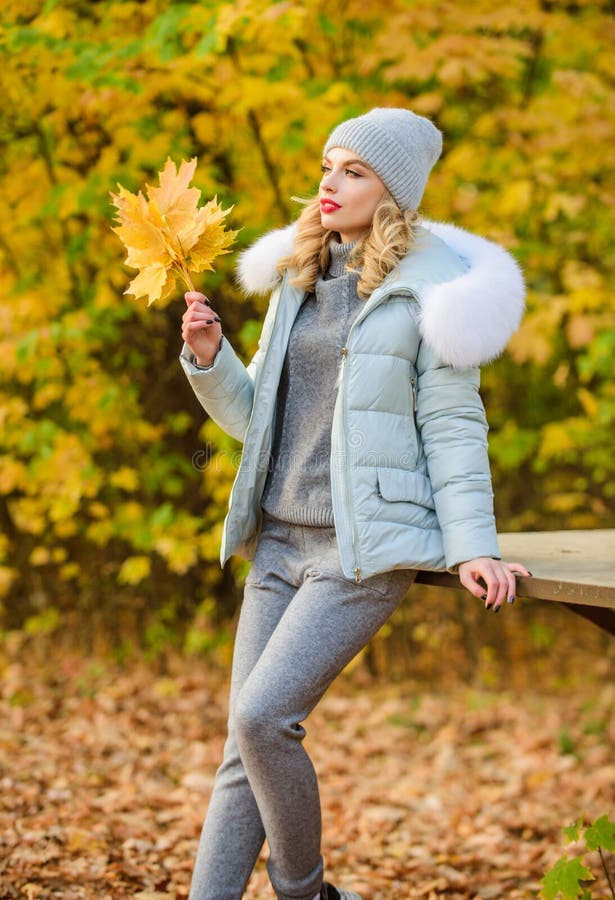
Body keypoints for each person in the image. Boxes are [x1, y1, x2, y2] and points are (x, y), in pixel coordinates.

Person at [179, 107, 530, 900]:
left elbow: (451, 426)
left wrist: (474, 543)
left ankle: (304, 892)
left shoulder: (428, 294)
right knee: (245, 743)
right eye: (328, 166)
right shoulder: (297, 279)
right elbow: (254, 420)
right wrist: (208, 360)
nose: (328, 184)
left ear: (392, 191)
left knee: (263, 720)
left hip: (359, 550)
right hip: (277, 542)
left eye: (353, 171)